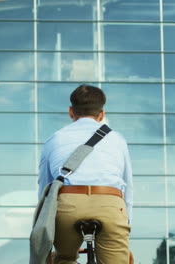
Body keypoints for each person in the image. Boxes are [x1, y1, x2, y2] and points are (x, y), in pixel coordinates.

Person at [38, 84, 133, 264]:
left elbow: (45, 188)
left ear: (70, 111)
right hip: (110, 205)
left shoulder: (54, 139)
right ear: (102, 114)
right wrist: (126, 223)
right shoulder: (117, 140)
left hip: (67, 205)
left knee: (63, 258)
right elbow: (127, 187)